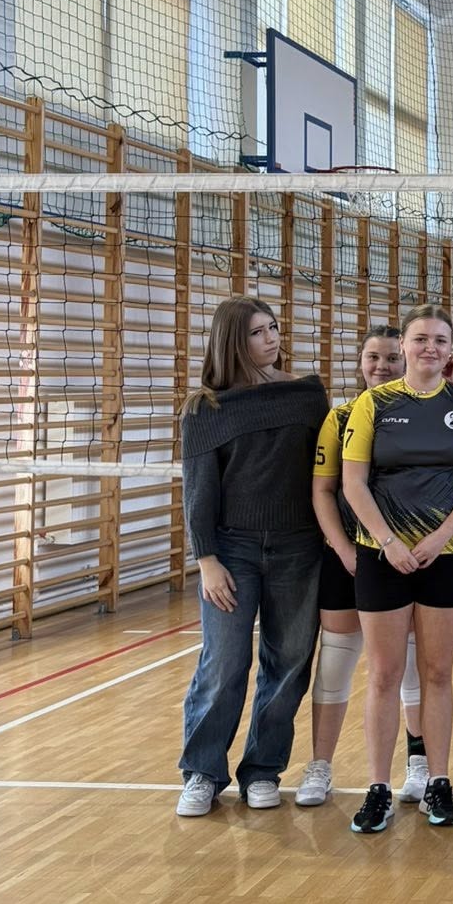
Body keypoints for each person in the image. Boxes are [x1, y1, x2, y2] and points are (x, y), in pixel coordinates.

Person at [339, 306, 453, 833]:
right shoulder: (373, 403)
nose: (431, 347)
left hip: (443, 556)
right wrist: (389, 542)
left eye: (441, 340)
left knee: (438, 673)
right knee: (384, 675)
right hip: (382, 555)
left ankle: (438, 783)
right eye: (421, 338)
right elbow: (353, 483)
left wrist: (439, 538)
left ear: (451, 350)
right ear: (403, 345)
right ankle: (378, 788)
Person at [176, 298, 328, 816]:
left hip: (300, 548)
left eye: (274, 327)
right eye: (258, 332)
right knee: (223, 663)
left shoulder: (307, 394)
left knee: (289, 663)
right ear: (232, 342)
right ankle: (202, 771)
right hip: (232, 552)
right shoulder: (205, 408)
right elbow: (198, 492)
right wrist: (207, 560)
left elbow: (326, 473)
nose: (272, 338)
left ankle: (263, 770)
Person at [295, 326, 429, 808]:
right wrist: (346, 551)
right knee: (336, 660)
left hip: (405, 556)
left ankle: (418, 760)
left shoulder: (427, 414)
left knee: (406, 664)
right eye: (373, 357)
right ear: (360, 362)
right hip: (350, 555)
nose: (382, 366)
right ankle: (320, 766)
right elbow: (323, 491)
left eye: (392, 358)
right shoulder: (341, 417)